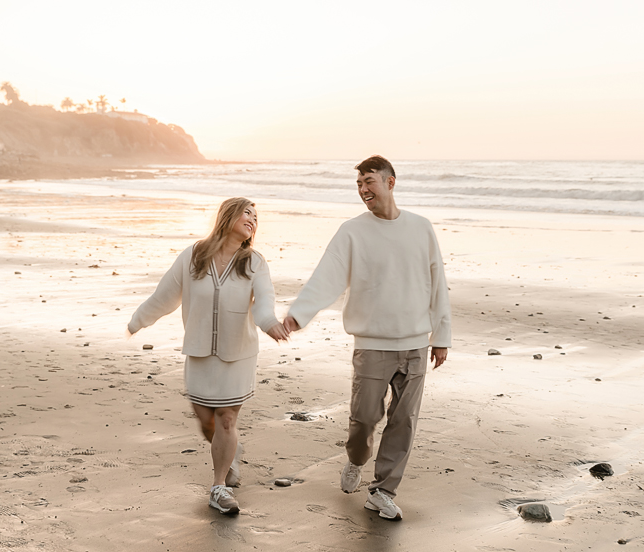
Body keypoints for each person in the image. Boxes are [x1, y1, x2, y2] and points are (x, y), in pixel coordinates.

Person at [284, 156, 451, 521]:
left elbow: (438, 283)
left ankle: (383, 491)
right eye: (359, 184)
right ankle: (356, 459)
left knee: (403, 422)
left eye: (370, 182)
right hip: (373, 344)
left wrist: (441, 336)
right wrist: (299, 314)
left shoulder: (421, 228)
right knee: (363, 421)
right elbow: (327, 277)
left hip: (415, 344)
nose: (363, 190)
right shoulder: (352, 232)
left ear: (391, 182)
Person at [128, 197, 288, 515]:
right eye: (247, 213)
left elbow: (265, 300)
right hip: (200, 353)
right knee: (208, 423)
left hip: (238, 355)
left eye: (257, 217)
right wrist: (139, 319)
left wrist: (270, 322)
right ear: (227, 215)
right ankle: (230, 451)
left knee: (227, 419)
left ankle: (219, 487)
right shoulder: (194, 256)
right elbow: (166, 294)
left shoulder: (255, 261)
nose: (253, 220)